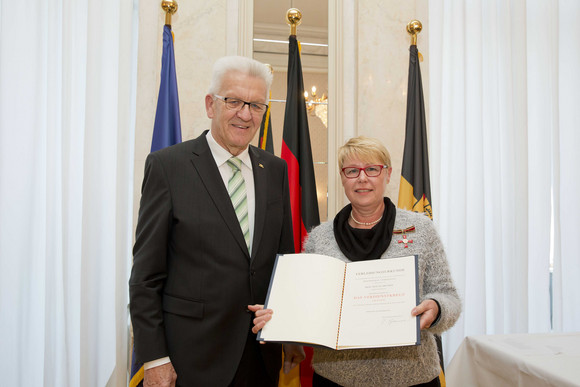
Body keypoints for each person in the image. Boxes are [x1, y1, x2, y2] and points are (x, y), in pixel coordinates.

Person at [129, 56, 304, 386]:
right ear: (211, 105)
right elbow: (146, 276)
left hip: (260, 356)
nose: (245, 114)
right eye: (234, 101)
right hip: (189, 360)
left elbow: (284, 263)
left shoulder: (275, 170)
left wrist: (288, 325)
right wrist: (154, 357)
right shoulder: (169, 167)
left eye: (255, 105)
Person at [252, 136, 461, 386]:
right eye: (352, 171)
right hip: (337, 378)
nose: (362, 178)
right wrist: (279, 317)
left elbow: (448, 296)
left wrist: (437, 308)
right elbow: (306, 306)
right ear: (342, 178)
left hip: (412, 377)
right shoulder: (319, 238)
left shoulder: (421, 229)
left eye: (372, 169)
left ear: (387, 174)